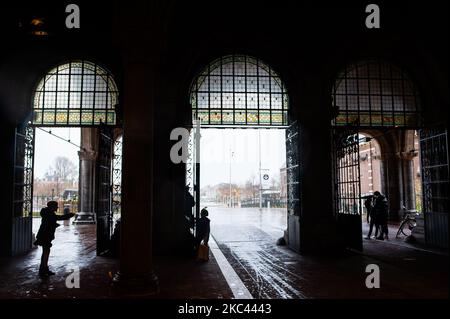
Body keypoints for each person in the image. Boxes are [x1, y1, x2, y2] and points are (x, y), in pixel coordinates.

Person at [34, 201, 75, 277]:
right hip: (45, 235)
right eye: (56, 206)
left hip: (44, 234)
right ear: (52, 207)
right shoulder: (49, 213)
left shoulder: (47, 212)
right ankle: (43, 270)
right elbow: (58, 218)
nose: (57, 208)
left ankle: (44, 269)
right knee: (46, 252)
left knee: (46, 252)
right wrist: (69, 215)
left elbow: (53, 220)